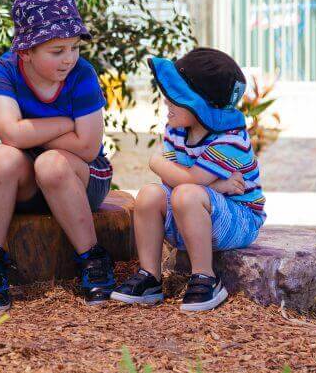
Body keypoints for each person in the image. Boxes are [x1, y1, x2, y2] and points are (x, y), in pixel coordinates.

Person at [0, 0, 115, 310]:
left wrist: (30, 132)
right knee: (0, 158)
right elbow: (9, 133)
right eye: (57, 50)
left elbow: (88, 146)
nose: (69, 58)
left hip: (83, 176)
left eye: (74, 47)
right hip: (28, 176)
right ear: (25, 52)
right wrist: (66, 123)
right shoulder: (5, 71)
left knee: (50, 164)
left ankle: (91, 256)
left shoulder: (81, 75)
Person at [111, 48, 265, 312]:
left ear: (200, 105)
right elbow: (175, 182)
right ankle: (150, 277)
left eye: (175, 99)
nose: (167, 105)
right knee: (149, 194)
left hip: (239, 219)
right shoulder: (176, 130)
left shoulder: (230, 139)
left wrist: (155, 161)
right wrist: (217, 186)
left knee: (186, 193)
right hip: (194, 212)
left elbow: (185, 179)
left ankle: (206, 278)